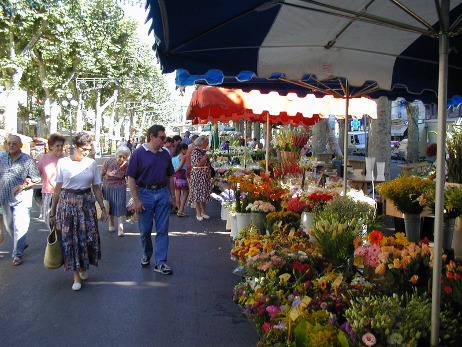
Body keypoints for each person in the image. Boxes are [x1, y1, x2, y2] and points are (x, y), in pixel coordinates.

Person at [50, 132, 108, 291]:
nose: (86, 152)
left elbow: (96, 187)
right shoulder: (63, 162)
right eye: (83, 148)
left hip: (87, 203)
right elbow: (57, 189)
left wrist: (102, 208)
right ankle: (75, 275)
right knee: (71, 239)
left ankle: (82, 267)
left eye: (89, 149)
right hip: (67, 204)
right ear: (74, 147)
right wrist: (52, 211)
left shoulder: (91, 163)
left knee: (87, 238)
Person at [126, 125, 175, 275]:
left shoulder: (165, 153)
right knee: (145, 230)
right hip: (144, 193)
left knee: (162, 230)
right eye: (162, 138)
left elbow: (170, 176)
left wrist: (172, 197)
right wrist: (136, 200)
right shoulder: (139, 153)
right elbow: (131, 177)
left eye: (165, 138)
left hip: (162, 193)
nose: (164, 140)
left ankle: (160, 262)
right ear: (152, 137)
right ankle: (147, 254)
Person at [0, 134, 41, 266]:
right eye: (9, 143)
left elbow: (36, 178)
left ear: (20, 145)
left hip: (22, 199)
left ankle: (17, 254)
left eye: (14, 143)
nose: (11, 145)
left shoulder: (28, 160)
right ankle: (21, 242)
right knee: (9, 226)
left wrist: (23, 185)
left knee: (20, 226)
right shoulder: (1, 157)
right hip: (4, 198)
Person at [37, 133, 66, 228]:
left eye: (61, 145)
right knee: (49, 221)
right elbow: (36, 175)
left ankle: (62, 242)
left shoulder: (66, 159)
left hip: (64, 195)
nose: (60, 148)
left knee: (63, 223)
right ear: (51, 146)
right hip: (48, 194)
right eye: (57, 145)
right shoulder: (44, 159)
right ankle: (55, 242)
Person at [100, 145, 130, 236]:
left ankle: (120, 228)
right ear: (116, 154)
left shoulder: (126, 165)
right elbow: (101, 174)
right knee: (110, 206)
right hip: (107, 186)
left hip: (120, 186)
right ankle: (111, 224)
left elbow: (128, 177)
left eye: (124, 157)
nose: (121, 158)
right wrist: (98, 188)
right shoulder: (108, 161)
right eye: (120, 156)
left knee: (120, 206)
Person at [189, 136, 212, 221]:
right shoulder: (195, 152)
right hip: (198, 176)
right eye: (207, 142)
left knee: (203, 194)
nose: (207, 144)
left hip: (204, 175)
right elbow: (197, 164)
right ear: (202, 143)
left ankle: (203, 211)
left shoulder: (203, 151)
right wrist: (206, 157)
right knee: (197, 194)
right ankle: (198, 213)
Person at [172, 143, 189, 217]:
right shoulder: (182, 156)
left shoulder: (173, 157)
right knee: (186, 192)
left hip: (175, 176)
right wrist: (176, 171)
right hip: (181, 174)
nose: (187, 151)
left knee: (177, 191)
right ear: (182, 149)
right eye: (186, 149)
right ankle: (181, 209)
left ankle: (178, 207)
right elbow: (180, 166)